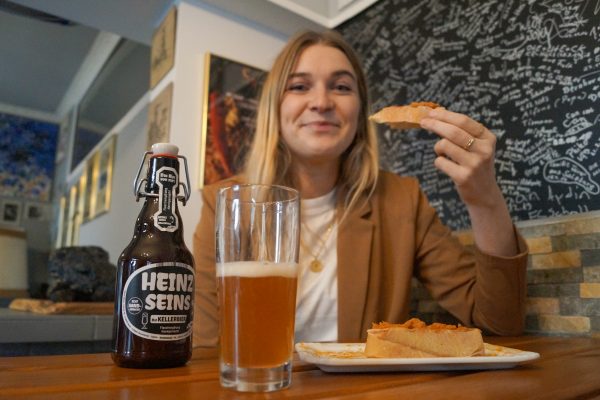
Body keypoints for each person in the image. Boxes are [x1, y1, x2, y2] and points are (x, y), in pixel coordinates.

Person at [193, 30, 528, 347]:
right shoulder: (222, 204)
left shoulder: (401, 200)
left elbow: (499, 322)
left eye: (341, 87)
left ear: (359, 110)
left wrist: (485, 199)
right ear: (274, 108)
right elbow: (206, 349)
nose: (322, 102)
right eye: (298, 87)